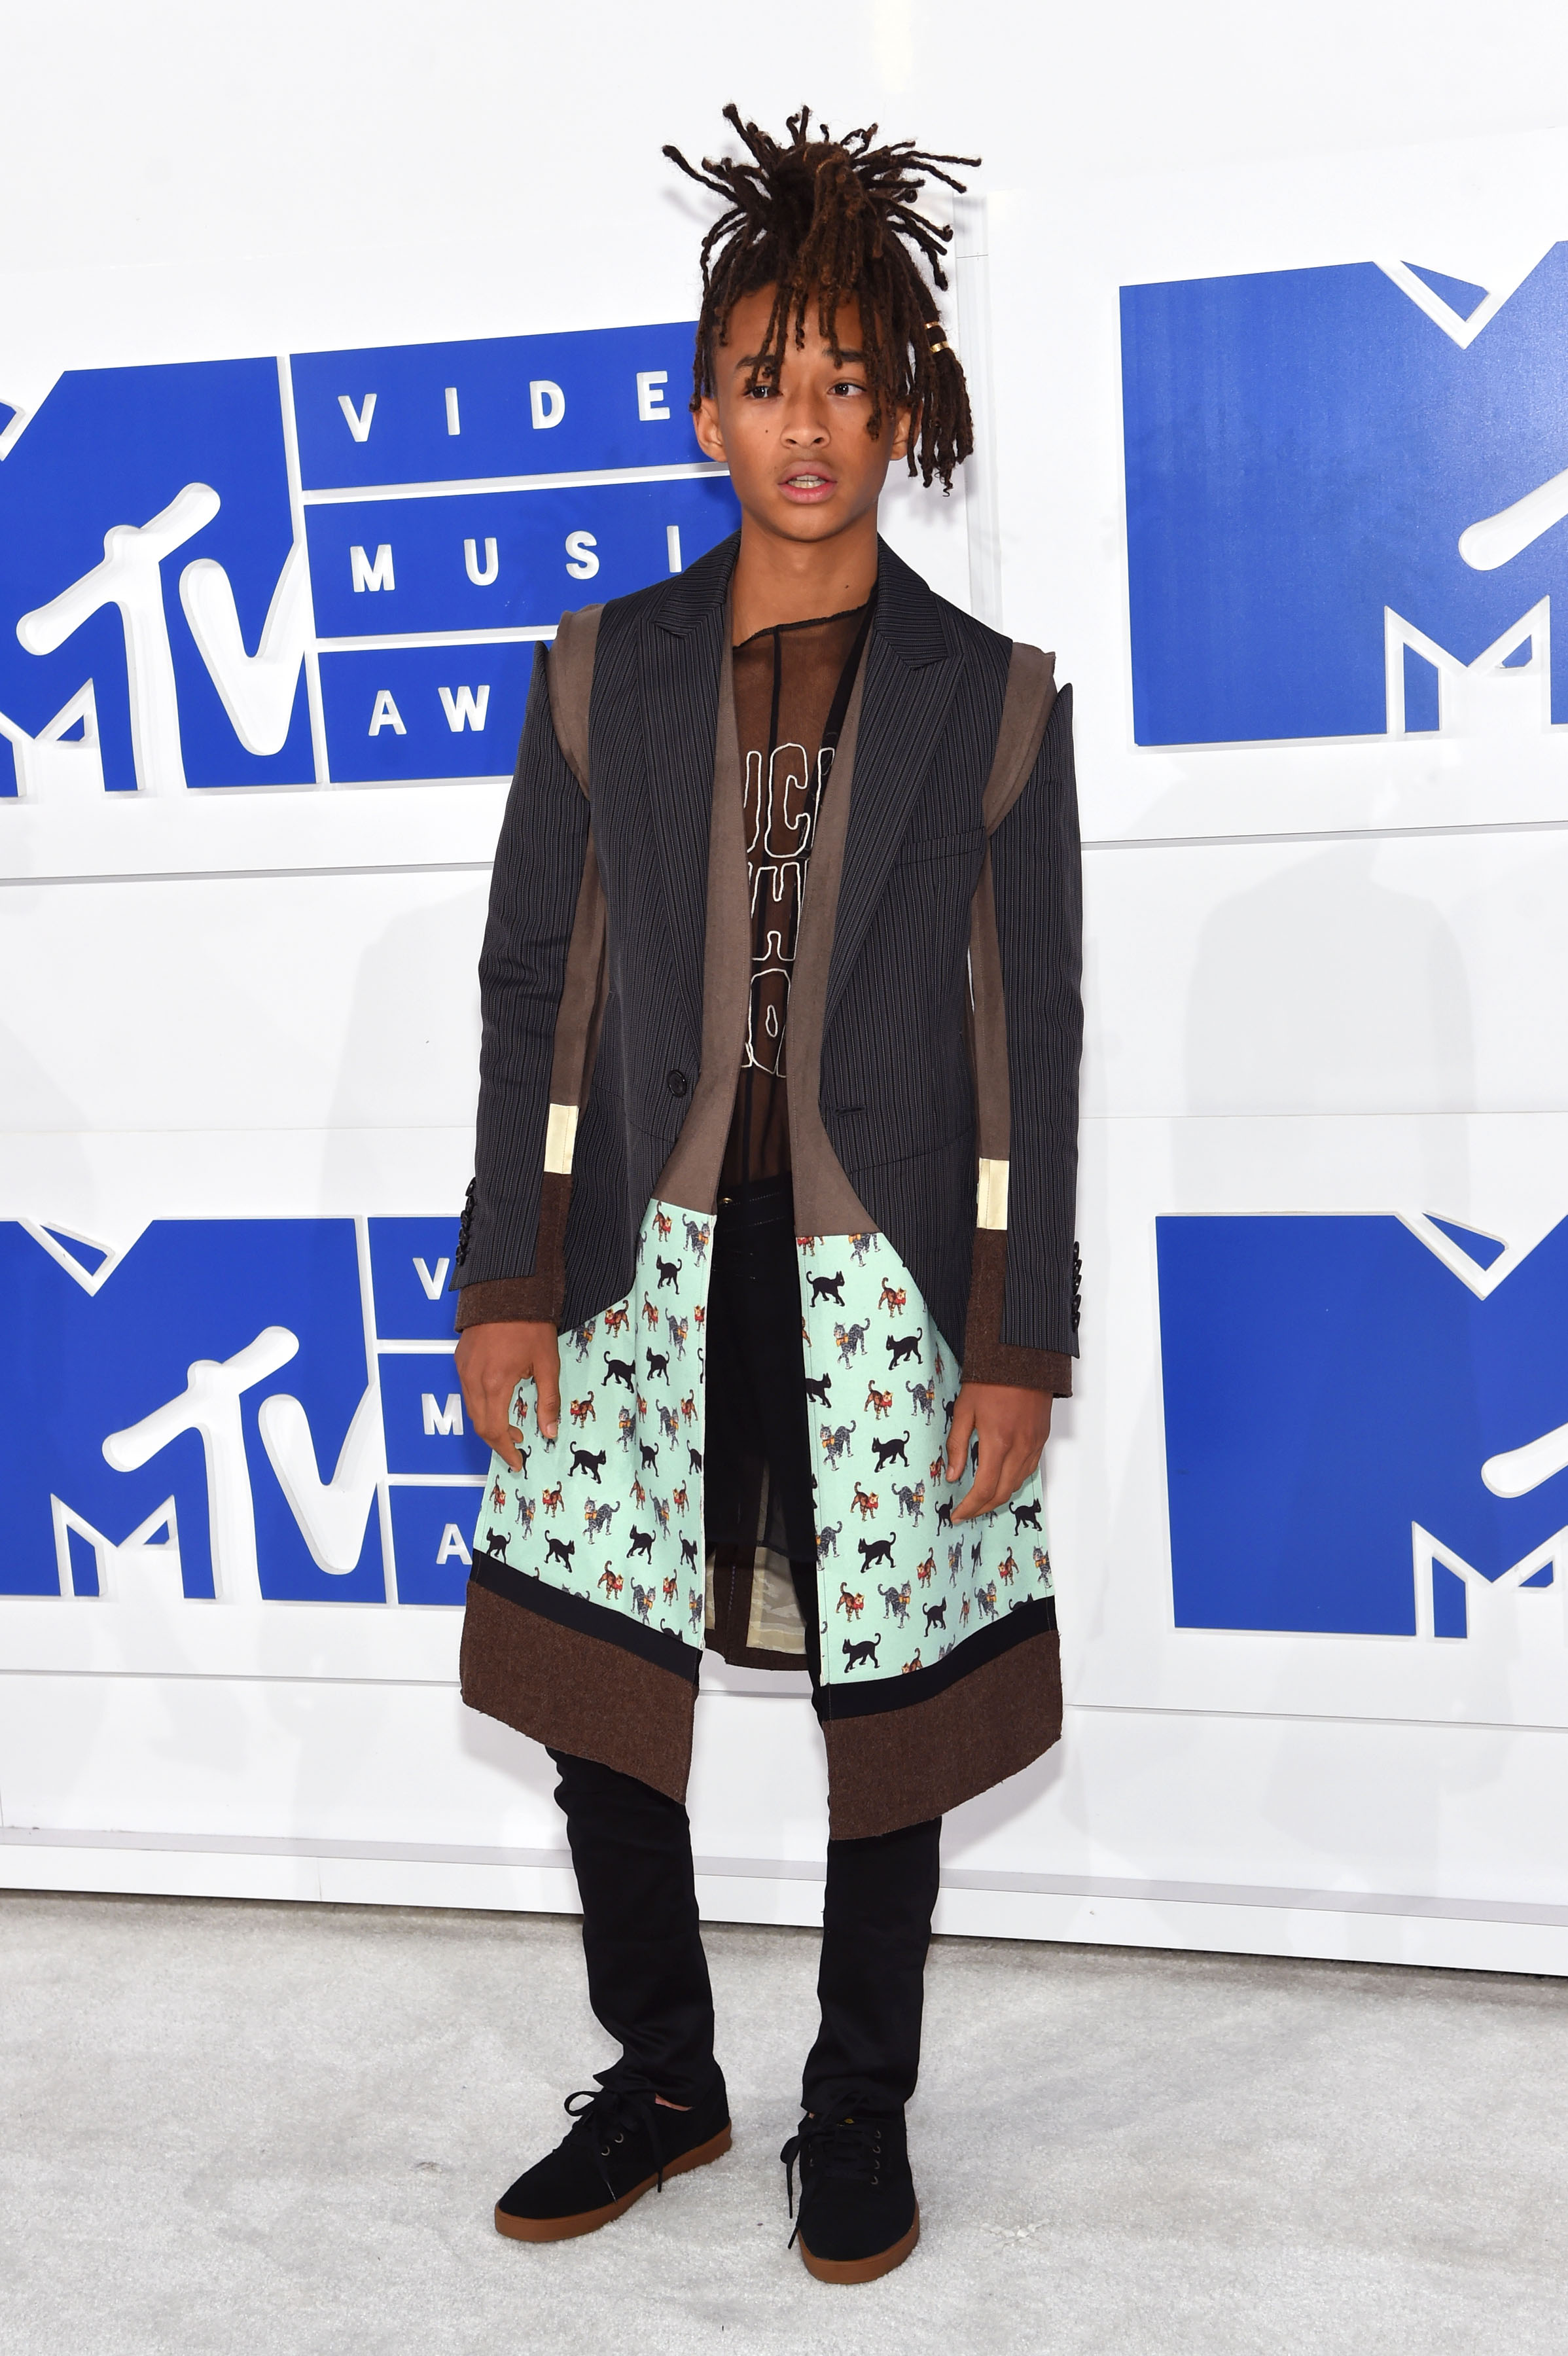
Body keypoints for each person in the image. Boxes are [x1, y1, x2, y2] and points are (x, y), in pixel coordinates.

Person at [450, 103, 1082, 2286]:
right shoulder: (595, 669)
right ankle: (663, 2076)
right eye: (760, 378)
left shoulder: (993, 702)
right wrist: (504, 1277)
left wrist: (1015, 1331)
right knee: (593, 1675)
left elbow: (1031, 1033)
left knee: (885, 1704)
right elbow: (529, 985)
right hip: (629, 1260)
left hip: (874, 1270)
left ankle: (858, 2107)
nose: (803, 424)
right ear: (701, 407)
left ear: (903, 410)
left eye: (844, 380)